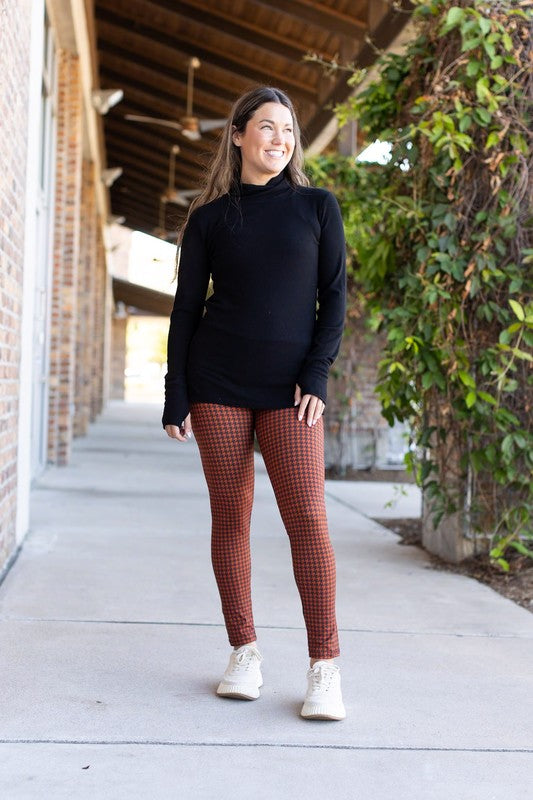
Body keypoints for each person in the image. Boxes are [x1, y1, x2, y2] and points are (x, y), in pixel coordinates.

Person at [162, 86, 347, 721]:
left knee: (308, 519)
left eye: (288, 130)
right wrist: (176, 394)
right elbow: (186, 311)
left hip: (291, 392)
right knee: (231, 517)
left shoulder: (317, 207)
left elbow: (334, 299)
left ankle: (324, 666)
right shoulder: (210, 219)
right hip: (217, 384)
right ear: (238, 135)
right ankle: (244, 651)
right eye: (266, 127)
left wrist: (316, 375)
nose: (279, 139)